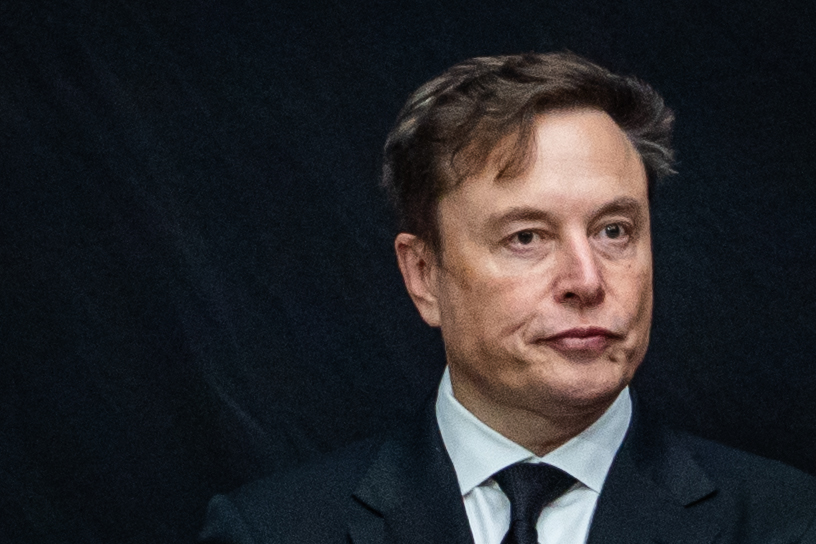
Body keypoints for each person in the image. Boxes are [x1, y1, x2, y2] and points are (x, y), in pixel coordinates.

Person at [199, 52, 816, 544]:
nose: (587, 280)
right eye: (526, 237)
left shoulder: (788, 523)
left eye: (613, 231)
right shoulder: (272, 530)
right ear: (423, 275)